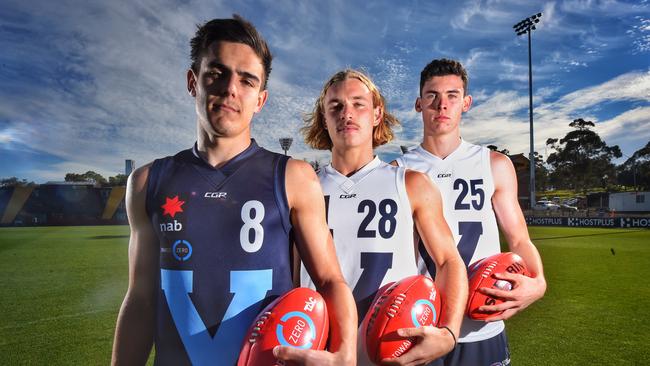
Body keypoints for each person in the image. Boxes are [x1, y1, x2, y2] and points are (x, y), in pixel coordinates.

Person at [111, 15, 357, 365]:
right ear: (192, 82)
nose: (230, 89)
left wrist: (345, 354)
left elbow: (331, 280)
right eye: (217, 73)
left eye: (247, 80)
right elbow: (141, 299)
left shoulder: (294, 177)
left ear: (261, 99)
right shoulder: (148, 181)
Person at [300, 69, 468, 365]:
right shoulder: (302, 188)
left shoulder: (411, 183)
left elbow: (448, 261)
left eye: (358, 104)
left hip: (395, 349)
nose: (346, 114)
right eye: (335, 107)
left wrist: (449, 331)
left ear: (377, 114)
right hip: (321, 351)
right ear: (324, 119)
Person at [394, 58, 547, 366]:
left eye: (452, 95)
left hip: (483, 324)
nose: (442, 105)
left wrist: (540, 282)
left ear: (466, 103)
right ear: (418, 104)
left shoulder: (494, 164)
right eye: (432, 96)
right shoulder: (397, 171)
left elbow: (518, 239)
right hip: (424, 325)